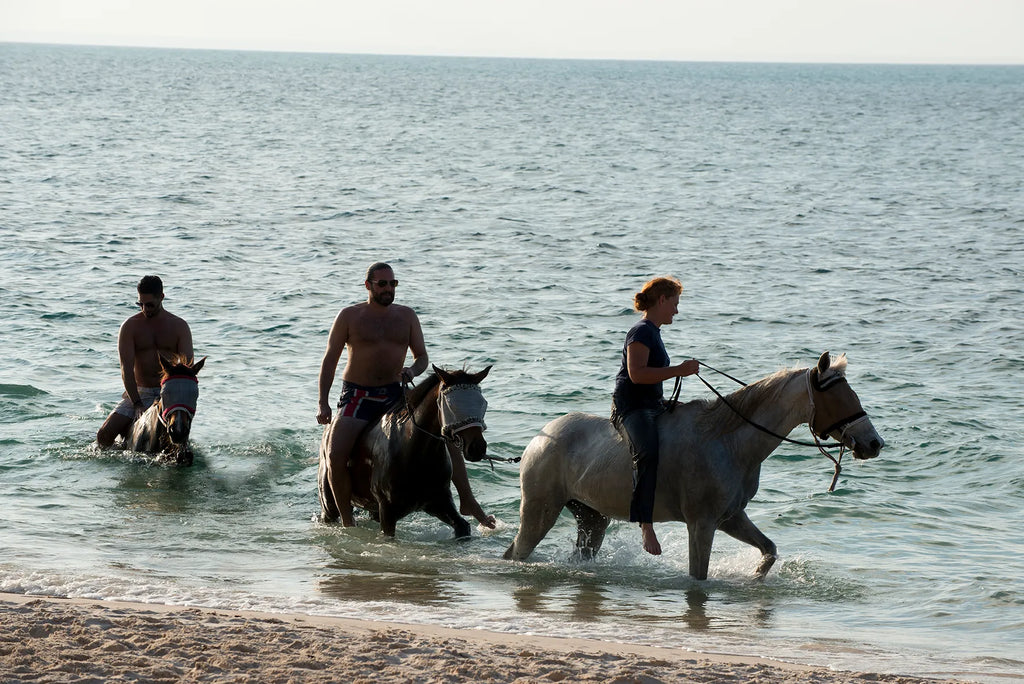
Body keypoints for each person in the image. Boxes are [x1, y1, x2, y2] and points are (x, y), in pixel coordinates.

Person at [316, 262, 495, 529]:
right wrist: (323, 402)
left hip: (396, 393)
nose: (388, 289)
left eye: (393, 283)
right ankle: (346, 520)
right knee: (335, 453)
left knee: (447, 434)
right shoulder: (349, 316)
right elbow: (330, 360)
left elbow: (422, 357)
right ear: (368, 285)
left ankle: (467, 500)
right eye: (382, 284)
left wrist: (412, 370)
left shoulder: (406, 316)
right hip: (357, 395)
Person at [611, 276, 699, 556]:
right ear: (662, 300)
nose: (676, 310)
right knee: (647, 453)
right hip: (631, 407)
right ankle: (646, 524)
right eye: (674, 304)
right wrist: (679, 370)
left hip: (652, 404)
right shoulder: (641, 331)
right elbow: (636, 375)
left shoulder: (654, 332)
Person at [97, 276, 194, 448]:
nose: (144, 309)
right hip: (140, 393)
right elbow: (126, 370)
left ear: (161, 297)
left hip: (168, 393)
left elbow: (188, 369)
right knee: (104, 435)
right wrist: (137, 404)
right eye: (140, 304)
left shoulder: (179, 326)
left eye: (149, 305)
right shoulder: (130, 327)